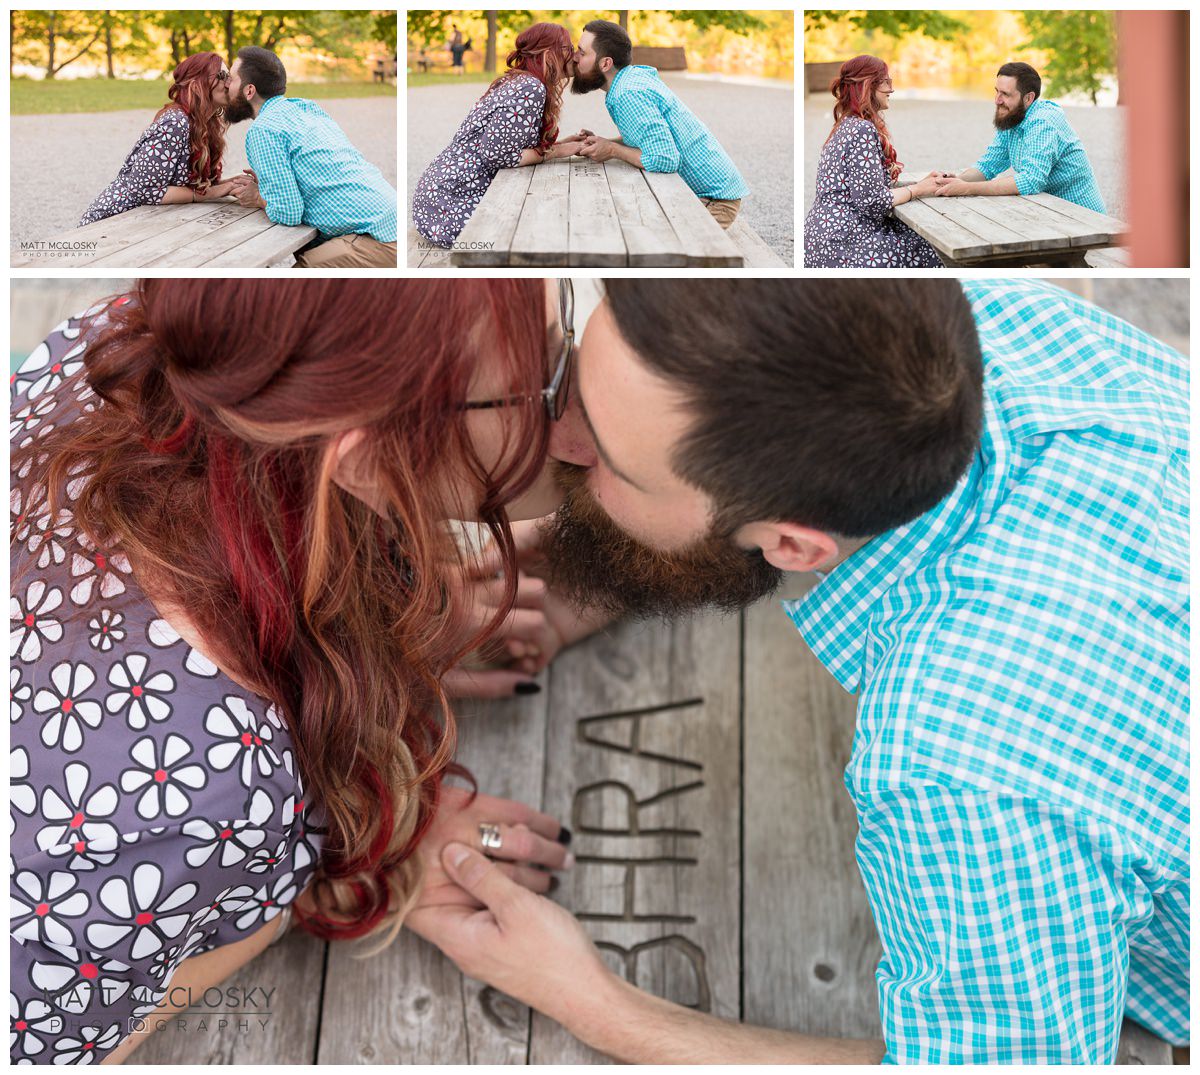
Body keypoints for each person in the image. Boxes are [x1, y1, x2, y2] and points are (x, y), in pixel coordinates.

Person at [408, 278, 1189, 1064]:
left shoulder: (955, 773)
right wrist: (619, 570)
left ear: (792, 548)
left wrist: (591, 998)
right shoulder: (987, 322)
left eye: (610, 460)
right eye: (574, 368)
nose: (559, 436)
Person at [8, 279, 581, 1064]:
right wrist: (329, 847)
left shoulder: (130, 343)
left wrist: (380, 617)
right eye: (547, 387)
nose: (581, 417)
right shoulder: (216, 798)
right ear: (372, 460)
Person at [221, 47, 398, 268]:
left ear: (249, 91)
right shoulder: (305, 107)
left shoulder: (264, 130)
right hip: (390, 218)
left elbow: (289, 211)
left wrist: (258, 197)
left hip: (377, 239)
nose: (226, 84)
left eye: (231, 78)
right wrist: (269, 186)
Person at [412, 24, 584, 250]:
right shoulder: (530, 87)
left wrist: (565, 144)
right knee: (545, 229)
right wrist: (559, 152)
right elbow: (497, 155)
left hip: (437, 198)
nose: (573, 55)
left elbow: (510, 145)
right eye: (567, 48)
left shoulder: (519, 81)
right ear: (547, 53)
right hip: (450, 205)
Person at [566, 20, 749, 229]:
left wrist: (613, 150)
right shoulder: (630, 79)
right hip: (708, 193)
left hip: (713, 202)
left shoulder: (628, 94)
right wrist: (605, 142)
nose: (574, 56)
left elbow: (665, 158)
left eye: (582, 52)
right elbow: (648, 138)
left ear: (605, 64)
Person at [804, 55, 943, 268]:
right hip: (843, 242)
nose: (891, 90)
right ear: (867, 86)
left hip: (823, 235)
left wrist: (920, 183)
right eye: (886, 82)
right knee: (926, 248)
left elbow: (864, 188)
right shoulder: (862, 129)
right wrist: (918, 189)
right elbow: (872, 202)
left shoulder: (846, 125)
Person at [79, 53, 239, 226]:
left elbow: (187, 185)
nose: (229, 83)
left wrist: (230, 184)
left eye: (229, 76)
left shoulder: (205, 124)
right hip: (113, 221)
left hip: (146, 222)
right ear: (197, 82)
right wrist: (213, 193)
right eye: (222, 76)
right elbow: (145, 190)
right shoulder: (176, 123)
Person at [932, 61, 1106, 213]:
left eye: (1005, 94)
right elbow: (987, 165)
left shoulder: (1043, 121)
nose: (997, 100)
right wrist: (954, 182)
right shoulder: (1011, 117)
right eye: (996, 92)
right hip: (1049, 212)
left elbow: (1031, 181)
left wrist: (967, 189)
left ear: (1028, 98)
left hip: (1082, 218)